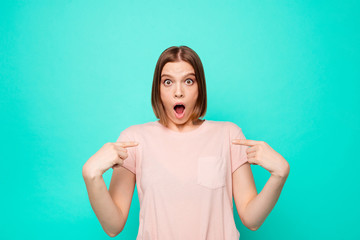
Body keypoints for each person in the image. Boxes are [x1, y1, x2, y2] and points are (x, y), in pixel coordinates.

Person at [82, 46, 290, 239]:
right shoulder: (133, 140)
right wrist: (91, 176)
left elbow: (252, 220)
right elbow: (113, 226)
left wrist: (279, 175)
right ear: (158, 90)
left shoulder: (229, 135)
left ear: (200, 87)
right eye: (168, 82)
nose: (178, 92)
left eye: (188, 81)